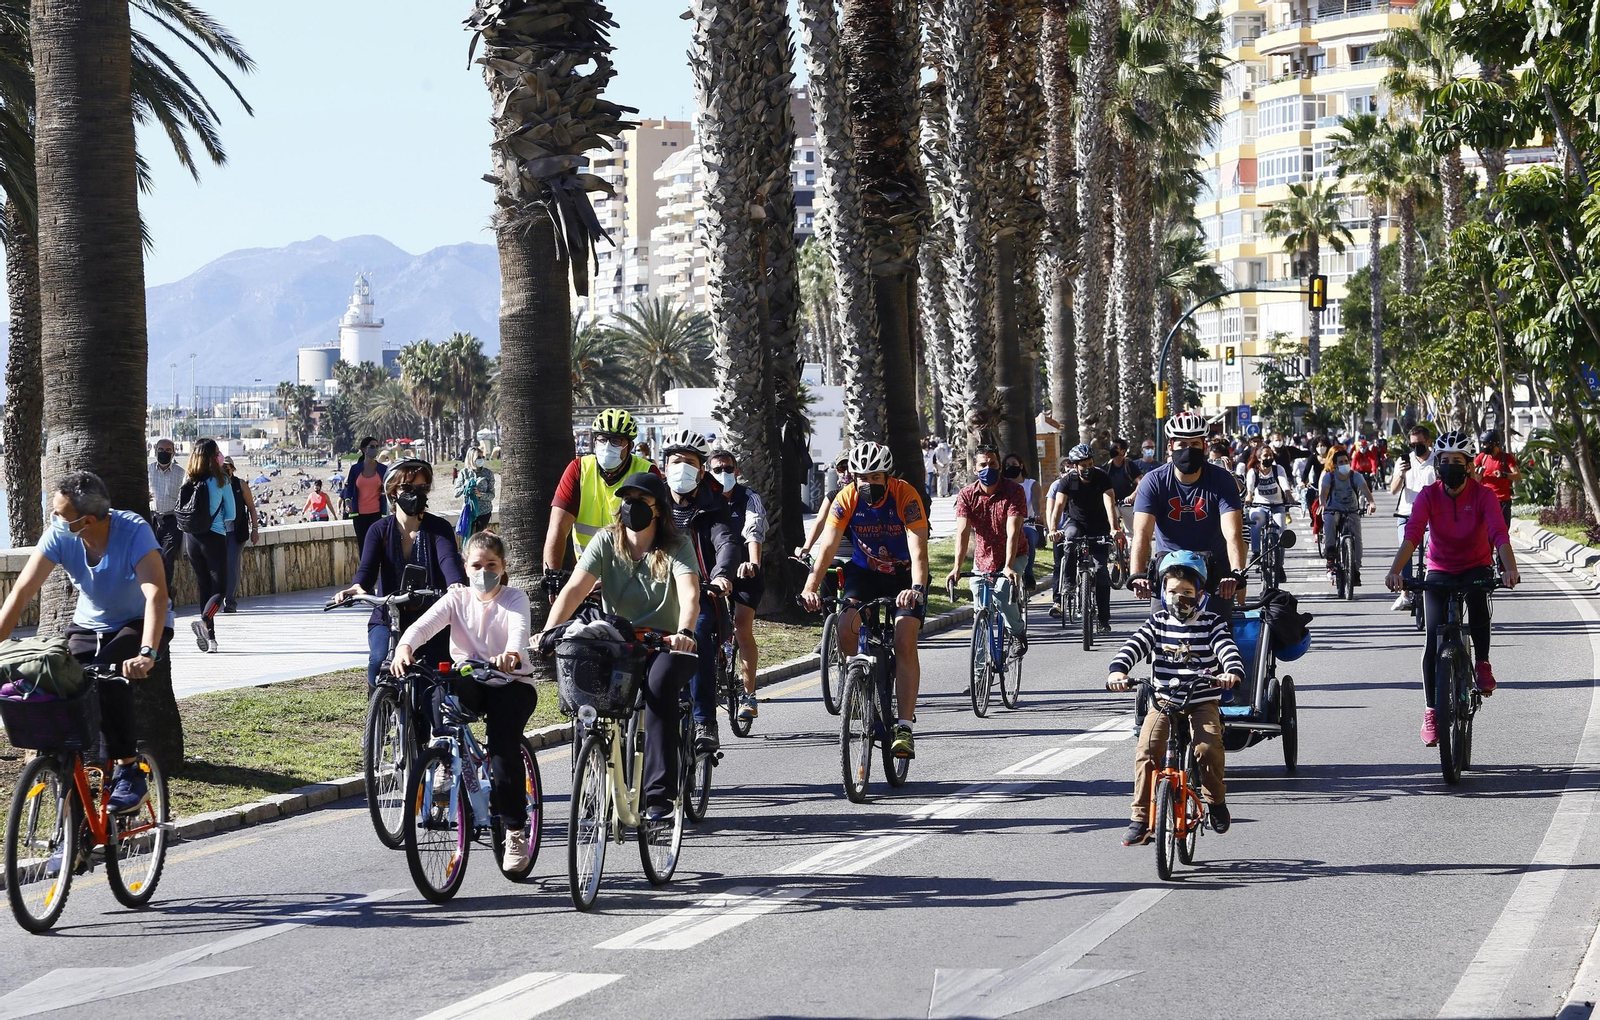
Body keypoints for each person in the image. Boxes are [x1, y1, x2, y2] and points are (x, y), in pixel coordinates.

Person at [0, 471, 173, 812]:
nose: (55, 520)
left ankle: (128, 771)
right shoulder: (60, 534)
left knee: (108, 677)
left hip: (139, 623)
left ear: (87, 520)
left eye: (61, 515)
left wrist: (147, 653)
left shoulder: (133, 530)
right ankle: (71, 821)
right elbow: (22, 591)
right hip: (88, 624)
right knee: (56, 680)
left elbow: (156, 594)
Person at [542, 472, 700, 823]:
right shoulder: (605, 542)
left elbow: (690, 594)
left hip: (667, 643)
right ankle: (593, 781)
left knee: (658, 689)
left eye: (640, 501)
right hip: (619, 642)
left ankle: (660, 796)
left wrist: (685, 630)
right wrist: (549, 632)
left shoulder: (677, 546)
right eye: (626, 499)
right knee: (586, 695)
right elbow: (573, 590)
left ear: (658, 509)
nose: (631, 507)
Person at [392, 531, 537, 872]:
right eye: (476, 565)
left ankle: (515, 831)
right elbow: (424, 626)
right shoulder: (456, 598)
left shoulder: (515, 598)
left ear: (503, 568)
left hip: (511, 682)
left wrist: (512, 654)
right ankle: (444, 759)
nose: (483, 572)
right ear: (465, 567)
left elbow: (518, 630)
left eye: (491, 565)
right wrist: (404, 648)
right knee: (438, 688)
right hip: (472, 679)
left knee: (503, 751)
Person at [1385, 430, 1521, 744]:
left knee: (1477, 601)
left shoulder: (1484, 494)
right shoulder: (1429, 495)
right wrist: (1395, 572)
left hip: (1476, 566)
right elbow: (1413, 535)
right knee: (1433, 640)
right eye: (1443, 461)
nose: (1448, 467)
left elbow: (1500, 534)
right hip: (1440, 569)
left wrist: (1509, 568)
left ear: (1469, 465)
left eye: (1455, 461)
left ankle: (1482, 663)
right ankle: (1431, 711)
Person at [800, 441, 930, 758]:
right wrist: (811, 585)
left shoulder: (905, 495)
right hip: (865, 571)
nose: (868, 483)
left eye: (875, 477)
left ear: (886, 477)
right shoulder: (846, 499)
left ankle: (904, 726)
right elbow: (828, 546)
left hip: (904, 574)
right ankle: (861, 687)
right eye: (862, 477)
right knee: (846, 625)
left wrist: (915, 586)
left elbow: (919, 550)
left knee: (904, 637)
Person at [1107, 551, 1245, 845]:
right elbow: (1134, 645)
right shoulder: (1157, 622)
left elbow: (1227, 649)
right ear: (1162, 591)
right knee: (1147, 749)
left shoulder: (1212, 622)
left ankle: (1216, 802)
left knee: (1208, 747)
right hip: (1164, 700)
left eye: (1187, 592)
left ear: (1200, 594)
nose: (1178, 597)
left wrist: (1230, 671)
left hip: (1201, 700)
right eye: (1171, 591)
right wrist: (1118, 671)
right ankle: (1140, 818)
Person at [336, 459, 467, 688]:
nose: (415, 494)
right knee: (378, 662)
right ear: (392, 491)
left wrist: (456, 584)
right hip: (388, 617)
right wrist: (356, 588)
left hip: (430, 619)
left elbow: (448, 561)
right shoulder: (378, 530)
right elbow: (366, 571)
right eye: (407, 488)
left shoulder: (439, 528)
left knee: (432, 675)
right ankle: (379, 713)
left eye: (422, 488)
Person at [660, 429, 738, 751]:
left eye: (689, 462)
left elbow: (727, 542)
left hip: (701, 592)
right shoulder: (652, 500)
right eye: (675, 461)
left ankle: (705, 721)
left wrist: (721, 575)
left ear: (702, 470)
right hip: (654, 594)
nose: (682, 468)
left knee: (699, 636)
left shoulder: (714, 504)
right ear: (664, 467)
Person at [1129, 412, 1248, 621]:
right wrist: (1138, 575)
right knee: (1160, 633)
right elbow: (1142, 533)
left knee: (1219, 634)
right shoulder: (1153, 481)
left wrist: (1236, 572)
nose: (1188, 450)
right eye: (1182, 444)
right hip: (1170, 569)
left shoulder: (1222, 480)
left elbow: (1233, 533)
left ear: (1204, 446)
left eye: (1194, 444)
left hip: (1214, 569)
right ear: (1170, 447)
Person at [544, 408, 657, 581]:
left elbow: (661, 528)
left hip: (634, 577)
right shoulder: (578, 469)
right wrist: (552, 574)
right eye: (602, 439)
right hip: (587, 576)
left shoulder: (647, 472)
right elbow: (558, 527)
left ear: (630, 446)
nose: (607, 446)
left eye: (616, 440)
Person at [947, 445, 1028, 650]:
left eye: (992, 464)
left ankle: (1017, 632)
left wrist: (1008, 566)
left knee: (1002, 596)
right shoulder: (966, 495)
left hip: (1014, 555)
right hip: (983, 560)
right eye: (983, 464)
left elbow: (1013, 531)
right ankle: (979, 675)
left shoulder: (1014, 491)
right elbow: (963, 532)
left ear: (999, 466)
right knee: (980, 614)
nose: (988, 468)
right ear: (975, 468)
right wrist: (957, 567)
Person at [707, 448, 767, 722]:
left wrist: (753, 563)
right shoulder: (703, 498)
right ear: (707, 471)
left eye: (728, 469)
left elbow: (754, 531)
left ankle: (748, 694)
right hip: (712, 572)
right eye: (717, 469)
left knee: (742, 626)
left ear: (737, 471)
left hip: (745, 572)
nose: (723, 474)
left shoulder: (748, 497)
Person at [1046, 444, 1117, 630]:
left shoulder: (1101, 477)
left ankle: (1103, 620)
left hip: (1099, 526)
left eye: (1090, 464)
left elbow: (1109, 502)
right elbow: (1059, 506)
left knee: (1101, 571)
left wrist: (1114, 528)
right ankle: (1069, 582)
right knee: (1069, 539)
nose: (1087, 468)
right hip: (1075, 523)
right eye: (1083, 465)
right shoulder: (1068, 480)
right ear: (1075, 466)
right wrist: (1053, 529)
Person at [182, 438, 235, 653]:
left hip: (191, 539)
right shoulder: (221, 479)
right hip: (213, 537)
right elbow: (231, 513)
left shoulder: (189, 478)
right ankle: (204, 621)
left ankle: (210, 640)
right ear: (214, 457)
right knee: (220, 590)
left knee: (204, 587)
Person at [1389, 424, 1437, 611]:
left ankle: (1434, 587)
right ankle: (1405, 594)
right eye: (1412, 445)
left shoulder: (1437, 461)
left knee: (1435, 549)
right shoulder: (1404, 461)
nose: (1416, 448)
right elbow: (1393, 490)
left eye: (1420, 444)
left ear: (1428, 442)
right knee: (1405, 549)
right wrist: (1401, 475)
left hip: (1432, 515)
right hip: (1407, 513)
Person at [1318, 448, 1375, 587]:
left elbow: (1365, 490)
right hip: (1333, 509)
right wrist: (1323, 504)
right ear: (1335, 465)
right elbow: (1324, 492)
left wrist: (1371, 503)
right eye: (1340, 462)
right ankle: (1331, 554)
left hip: (1351, 510)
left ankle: (1355, 569)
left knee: (1357, 536)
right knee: (1330, 521)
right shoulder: (1329, 477)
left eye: (1346, 461)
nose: (1344, 464)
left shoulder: (1355, 476)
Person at [1243, 446, 1292, 581]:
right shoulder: (1253, 472)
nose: (1269, 458)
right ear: (1259, 458)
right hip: (1259, 506)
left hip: (1278, 506)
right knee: (1256, 521)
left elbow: (1284, 484)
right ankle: (1256, 553)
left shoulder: (1278, 469)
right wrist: (1249, 497)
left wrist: (1289, 496)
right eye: (1265, 456)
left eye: (1270, 455)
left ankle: (1280, 565)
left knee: (1281, 530)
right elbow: (1250, 489)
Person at [221, 457, 259, 613]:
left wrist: (255, 529)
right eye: (221, 467)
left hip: (236, 533)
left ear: (233, 469)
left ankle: (230, 602)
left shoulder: (240, 485)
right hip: (218, 532)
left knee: (231, 565)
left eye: (227, 467)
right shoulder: (215, 485)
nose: (224, 470)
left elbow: (251, 507)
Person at [798, 452, 851, 561]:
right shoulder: (832, 497)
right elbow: (819, 522)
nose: (847, 474)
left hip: (858, 559)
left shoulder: (865, 497)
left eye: (851, 468)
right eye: (842, 469)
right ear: (837, 471)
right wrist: (806, 548)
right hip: (834, 558)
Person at [342, 437, 389, 555]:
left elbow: (390, 488)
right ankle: (367, 572)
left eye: (377, 447)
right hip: (359, 515)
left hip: (377, 514)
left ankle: (379, 572)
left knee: (378, 546)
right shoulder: (355, 469)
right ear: (364, 449)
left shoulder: (383, 469)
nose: (375, 449)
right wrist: (347, 503)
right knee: (363, 546)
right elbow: (349, 488)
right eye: (372, 447)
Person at [147, 438, 183, 589]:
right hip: (152, 520)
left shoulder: (181, 473)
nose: (164, 453)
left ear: (173, 452)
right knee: (151, 559)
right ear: (155, 451)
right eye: (161, 450)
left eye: (168, 450)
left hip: (172, 522)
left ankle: (166, 594)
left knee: (167, 558)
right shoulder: (147, 470)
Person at [1002, 452, 1042, 586]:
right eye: (1007, 465)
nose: (1011, 467)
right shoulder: (1002, 486)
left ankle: (1028, 574)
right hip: (1005, 526)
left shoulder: (1031, 484)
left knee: (1027, 535)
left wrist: (1037, 514)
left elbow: (1036, 503)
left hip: (1026, 525)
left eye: (1014, 464)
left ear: (1021, 466)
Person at [1473, 429, 1521, 527]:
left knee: (1502, 531)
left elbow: (1518, 476)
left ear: (1494, 444)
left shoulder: (1507, 458)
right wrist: (1478, 474)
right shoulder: (1482, 457)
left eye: (1485, 444)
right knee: (1485, 533)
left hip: (1502, 502)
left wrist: (1504, 475)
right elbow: (1470, 472)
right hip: (1486, 501)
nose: (1482, 447)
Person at [457, 446, 497, 535]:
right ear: (472, 458)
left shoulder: (488, 473)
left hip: (484, 512)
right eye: (478, 457)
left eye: (482, 457)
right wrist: (465, 487)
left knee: (480, 539)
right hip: (469, 512)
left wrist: (480, 495)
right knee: (468, 538)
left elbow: (492, 495)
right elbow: (456, 493)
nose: (481, 459)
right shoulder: (464, 473)